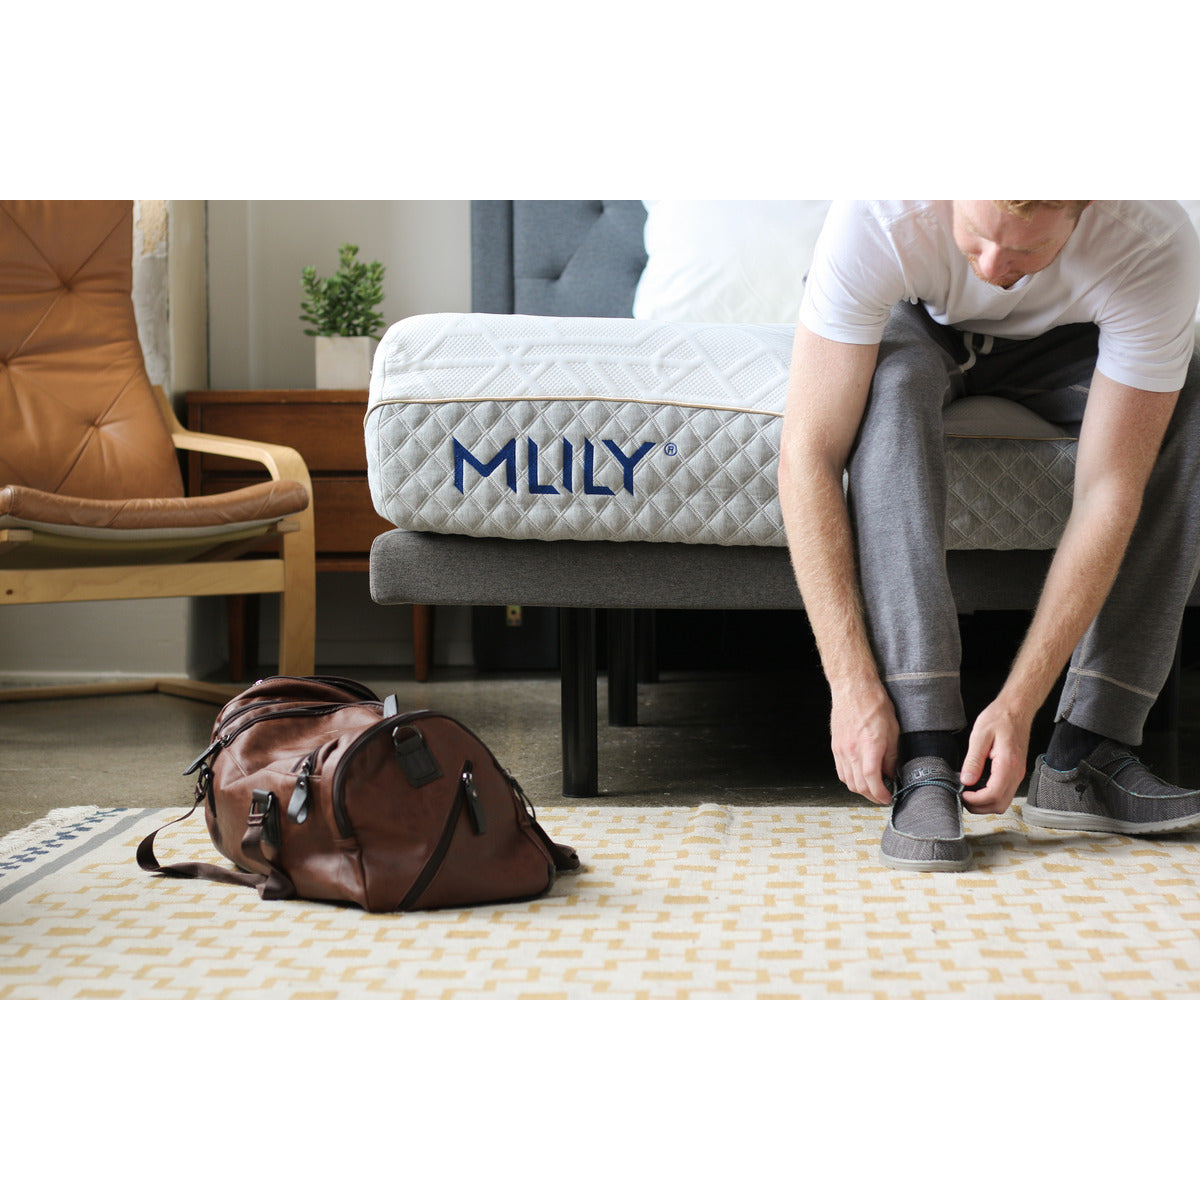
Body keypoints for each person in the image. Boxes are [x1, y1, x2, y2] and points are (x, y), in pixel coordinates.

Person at [778, 200, 1200, 871]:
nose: (994, 269)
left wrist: (1018, 704)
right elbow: (807, 456)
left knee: (1188, 402)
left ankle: (1087, 750)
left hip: (1067, 342)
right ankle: (925, 753)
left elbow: (1108, 491)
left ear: (1083, 208)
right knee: (892, 384)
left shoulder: (1151, 238)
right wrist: (851, 686)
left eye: (1026, 253)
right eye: (975, 237)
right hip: (916, 325)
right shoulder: (883, 210)